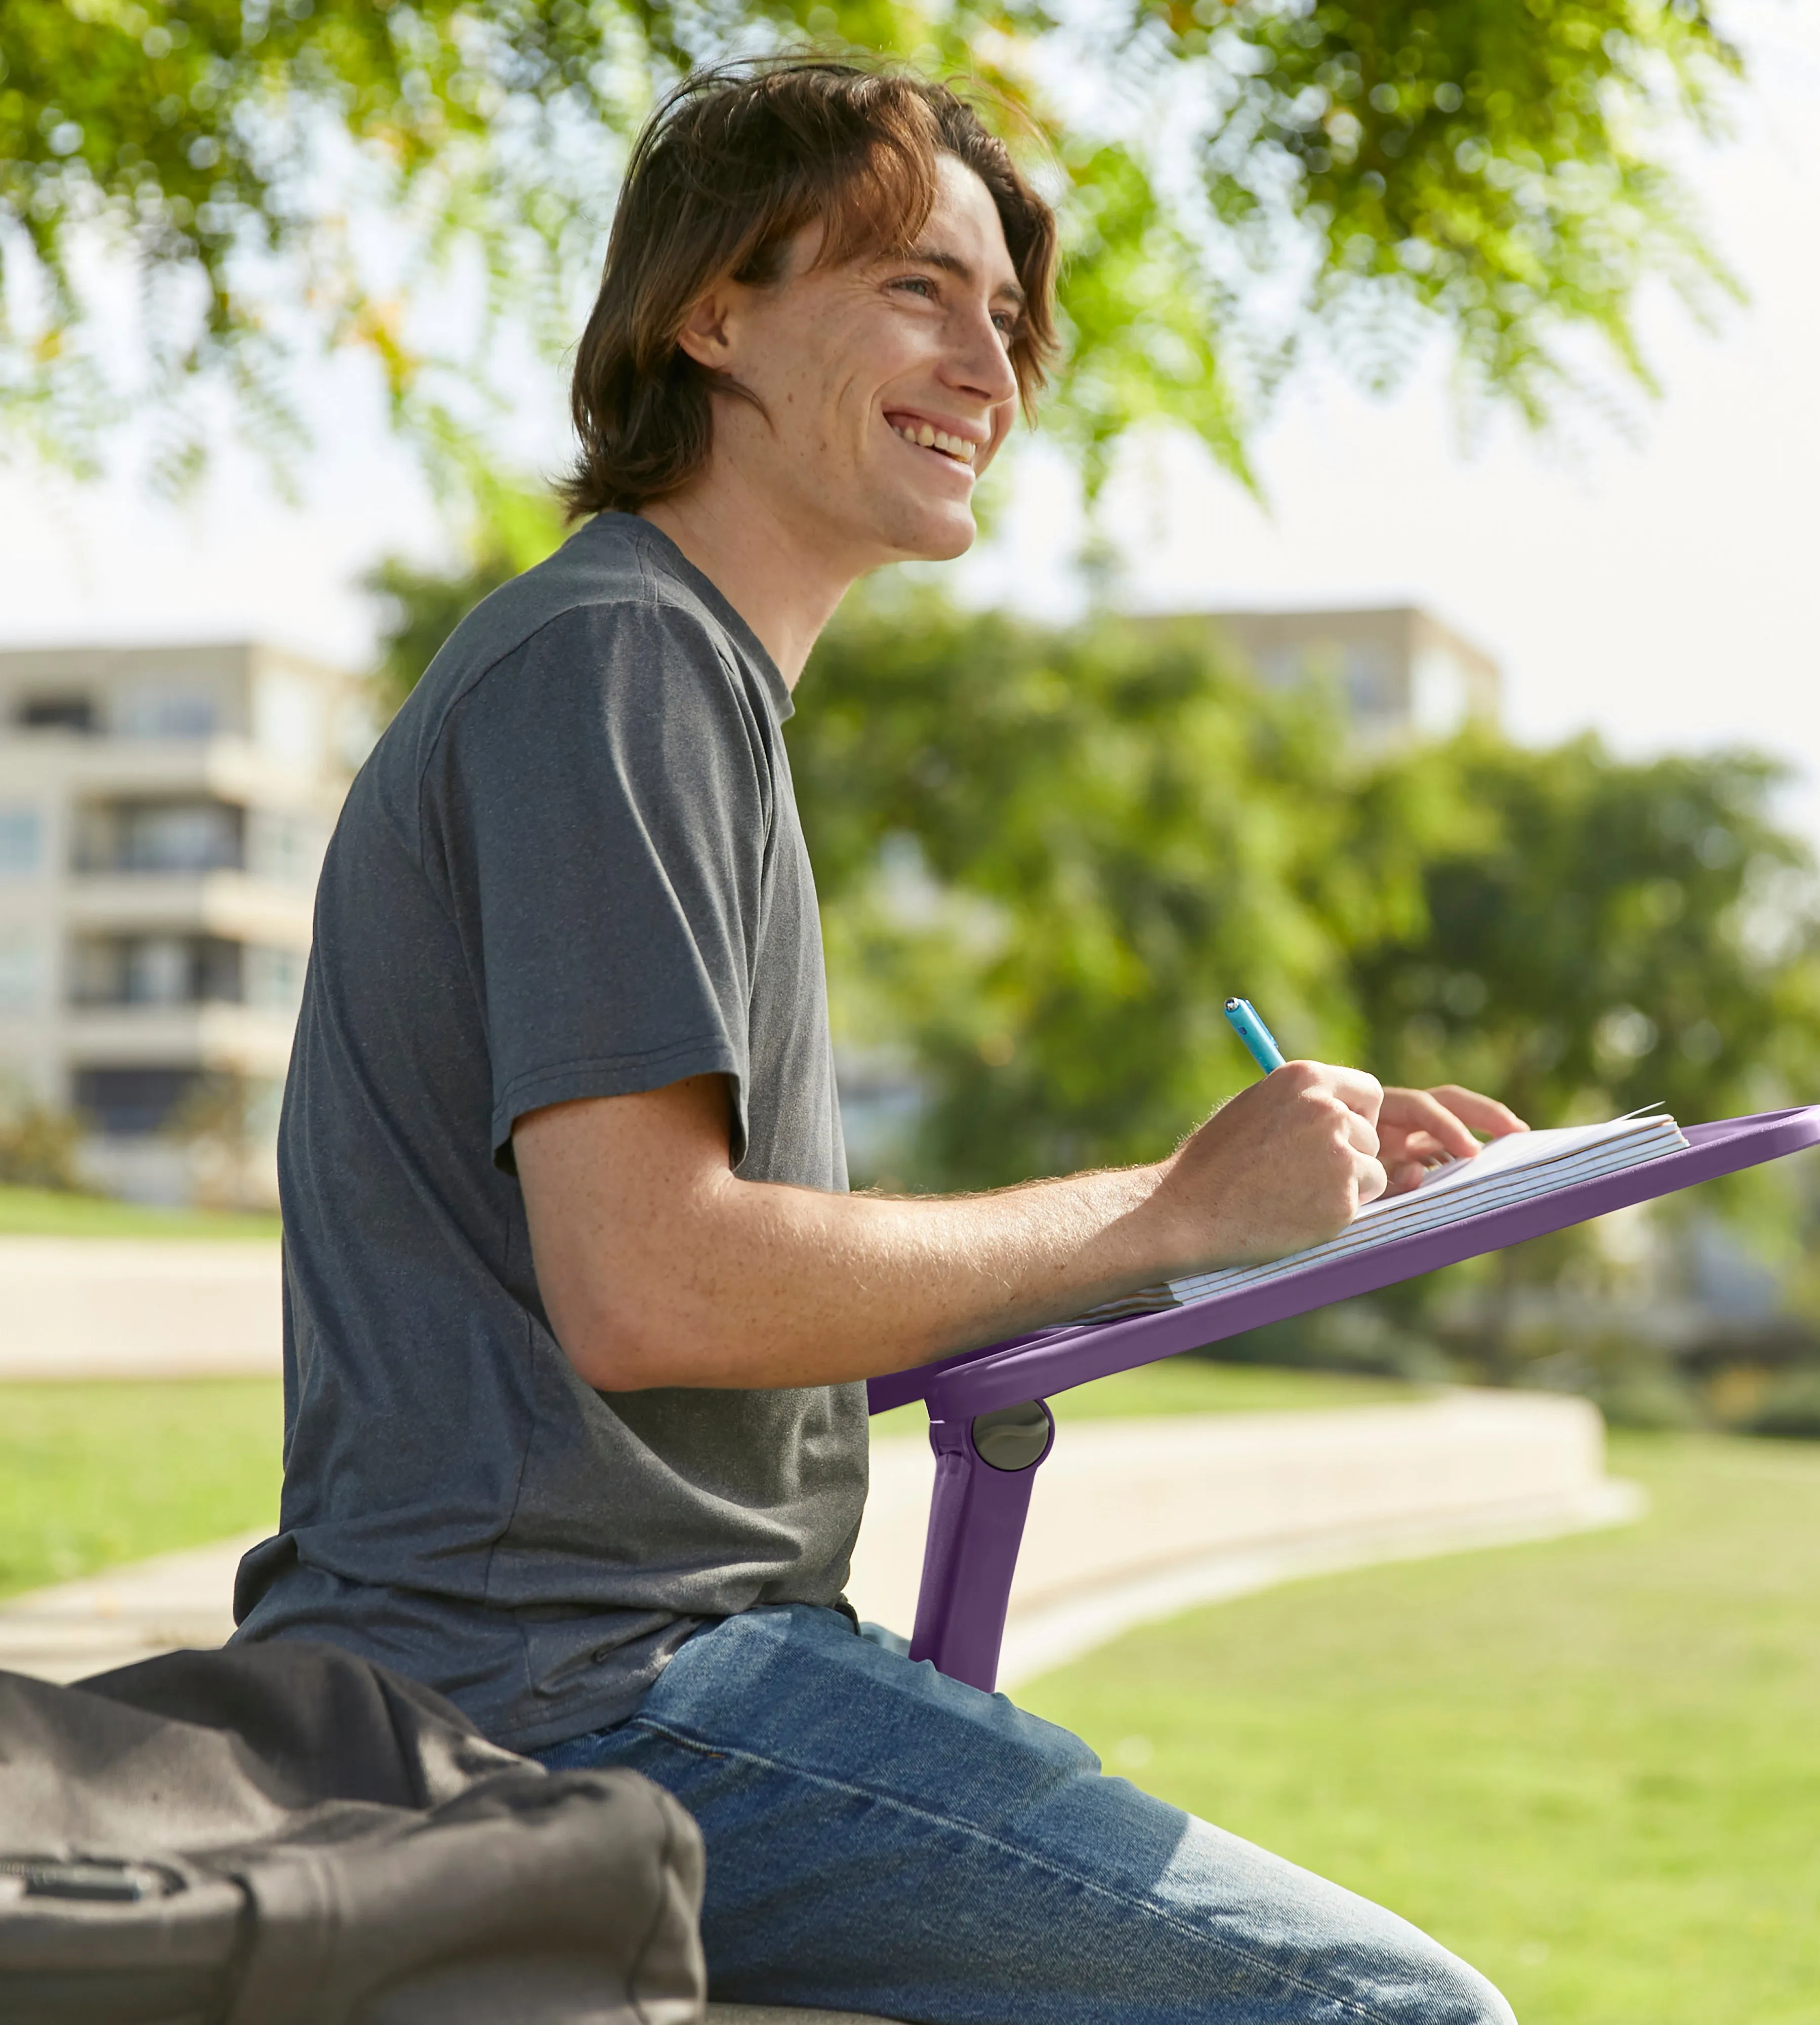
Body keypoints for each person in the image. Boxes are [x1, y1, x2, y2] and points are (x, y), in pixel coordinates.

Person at [233, 59, 1526, 2023]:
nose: (988, 366)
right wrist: (1164, 1200)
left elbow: (710, 1283)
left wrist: (1235, 1215)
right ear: (712, 309)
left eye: (1005, 318)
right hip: (568, 1699)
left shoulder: (671, 682)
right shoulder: (619, 662)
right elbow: (655, 1286)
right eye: (919, 288)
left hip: (594, 1669)